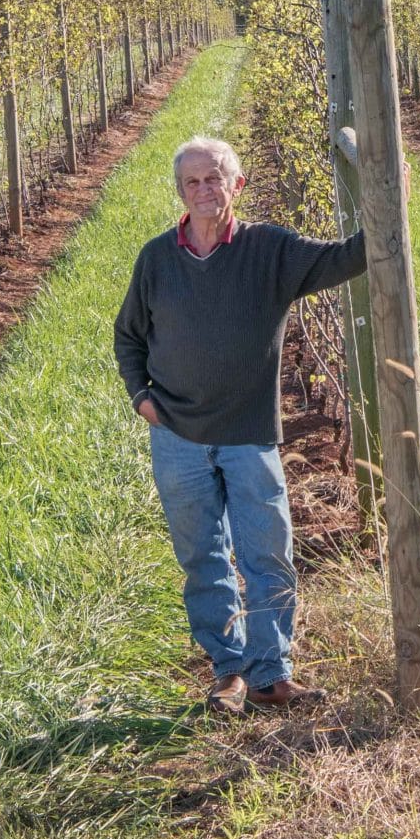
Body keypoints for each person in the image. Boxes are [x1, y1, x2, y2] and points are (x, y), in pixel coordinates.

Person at [114, 136, 367, 714]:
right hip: (177, 436)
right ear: (181, 191)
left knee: (266, 553)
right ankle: (227, 671)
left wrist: (390, 191)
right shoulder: (157, 258)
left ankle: (270, 674)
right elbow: (129, 334)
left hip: (249, 434)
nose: (204, 190)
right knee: (201, 556)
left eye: (214, 178)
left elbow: (346, 258)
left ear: (238, 184)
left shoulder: (270, 250)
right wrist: (140, 398)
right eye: (192, 182)